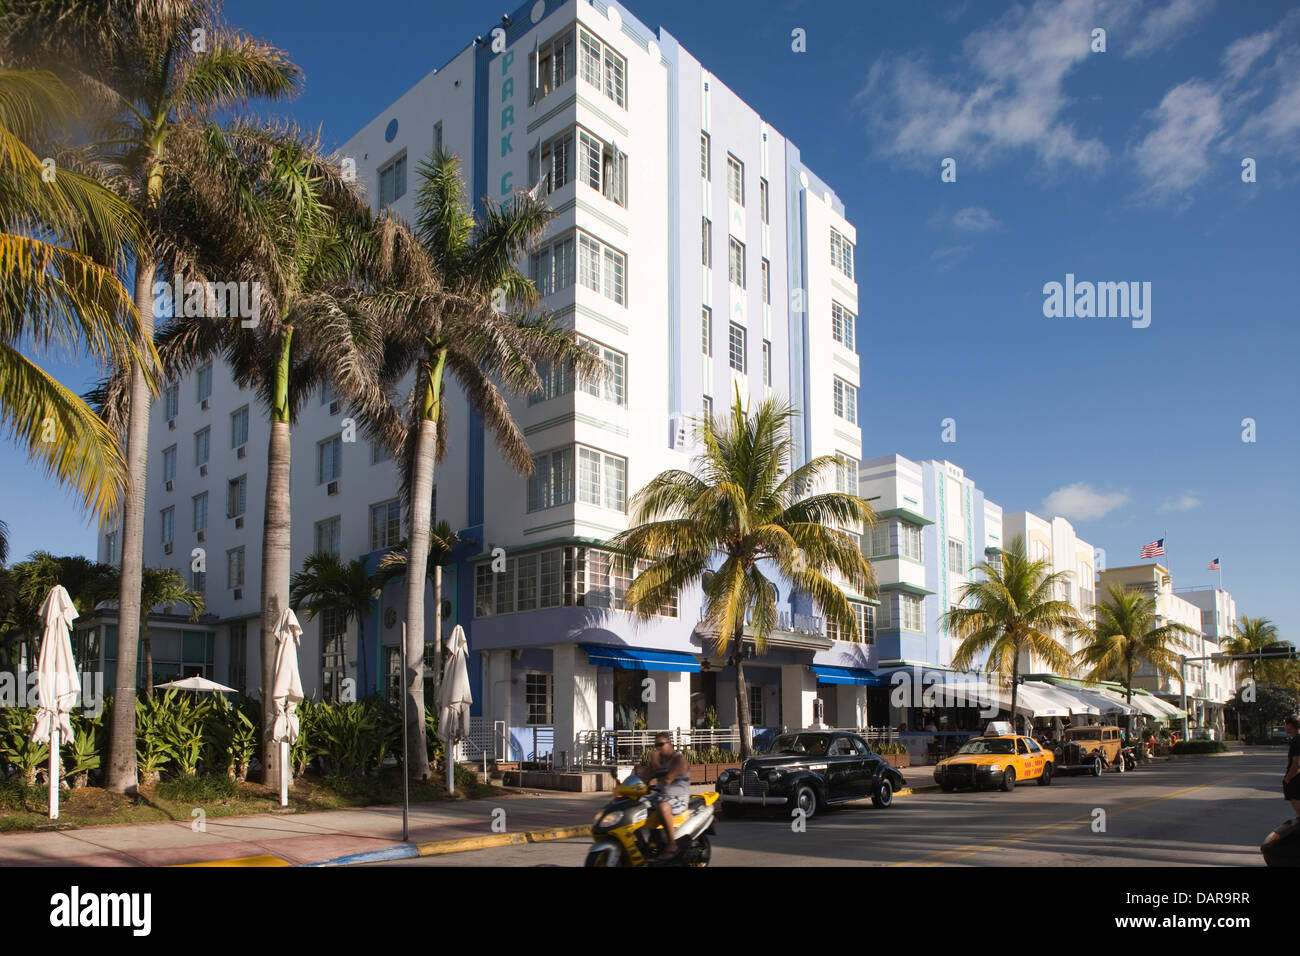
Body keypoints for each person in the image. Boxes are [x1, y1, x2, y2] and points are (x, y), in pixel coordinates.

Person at [634, 732, 691, 859]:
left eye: (661, 744)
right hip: (659, 795)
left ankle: (672, 844)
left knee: (663, 807)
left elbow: (667, 779)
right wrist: (629, 785)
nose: (658, 748)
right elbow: (644, 777)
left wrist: (654, 763)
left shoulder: (679, 759)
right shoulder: (658, 760)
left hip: (677, 798)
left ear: (669, 744)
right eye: (656, 745)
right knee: (632, 807)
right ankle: (643, 845)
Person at [1283, 715, 1300, 818]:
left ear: (1290, 725)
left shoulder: (1296, 741)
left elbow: (1297, 763)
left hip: (1296, 780)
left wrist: (1288, 778)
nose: (1285, 727)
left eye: (1285, 724)